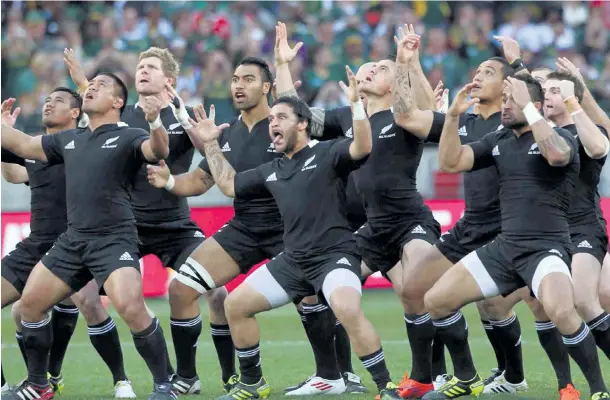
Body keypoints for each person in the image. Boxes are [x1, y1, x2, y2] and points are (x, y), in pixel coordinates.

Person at [190, 84, 402, 400]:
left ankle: (386, 387)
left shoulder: (327, 151)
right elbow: (230, 185)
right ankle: (251, 384)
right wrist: (210, 144)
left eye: (282, 117)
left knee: (345, 307)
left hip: (334, 255)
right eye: (272, 118)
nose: (273, 123)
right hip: (294, 260)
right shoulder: (271, 169)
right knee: (236, 305)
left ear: (302, 123)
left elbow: (362, 146)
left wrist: (357, 108)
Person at [421, 75, 609, 400]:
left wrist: (528, 107)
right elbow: (451, 162)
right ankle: (467, 378)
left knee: (564, 312)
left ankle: (598, 390)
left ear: (532, 106)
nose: (504, 105)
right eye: (505, 98)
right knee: (435, 301)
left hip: (546, 248)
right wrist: (451, 118)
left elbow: (558, 157)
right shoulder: (499, 140)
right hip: (506, 247)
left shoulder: (563, 136)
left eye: (512, 100)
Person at [63, 47, 233, 394]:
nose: (142, 70)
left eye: (151, 67)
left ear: (168, 80)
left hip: (176, 226)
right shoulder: (120, 114)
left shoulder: (181, 115)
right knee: (84, 297)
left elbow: (207, 150)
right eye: (140, 66)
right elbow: (93, 108)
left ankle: (211, 376)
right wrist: (82, 81)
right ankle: (126, 379)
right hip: (125, 228)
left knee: (219, 293)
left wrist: (183, 114)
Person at [1, 72, 176, 400]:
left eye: (101, 86)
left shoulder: (128, 136)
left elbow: (156, 150)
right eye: (90, 84)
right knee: (29, 307)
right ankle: (39, 384)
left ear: (117, 102)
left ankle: (164, 385)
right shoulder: (69, 140)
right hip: (72, 240)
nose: (92, 87)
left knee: (130, 307)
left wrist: (154, 122)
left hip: (113, 238)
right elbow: (22, 145)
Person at [542, 71, 610, 359]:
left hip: (583, 228)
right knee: (552, 309)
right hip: (547, 231)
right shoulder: (541, 133)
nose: (547, 94)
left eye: (556, 90)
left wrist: (573, 99)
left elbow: (597, 148)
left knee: (585, 299)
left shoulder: (589, 131)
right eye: (545, 90)